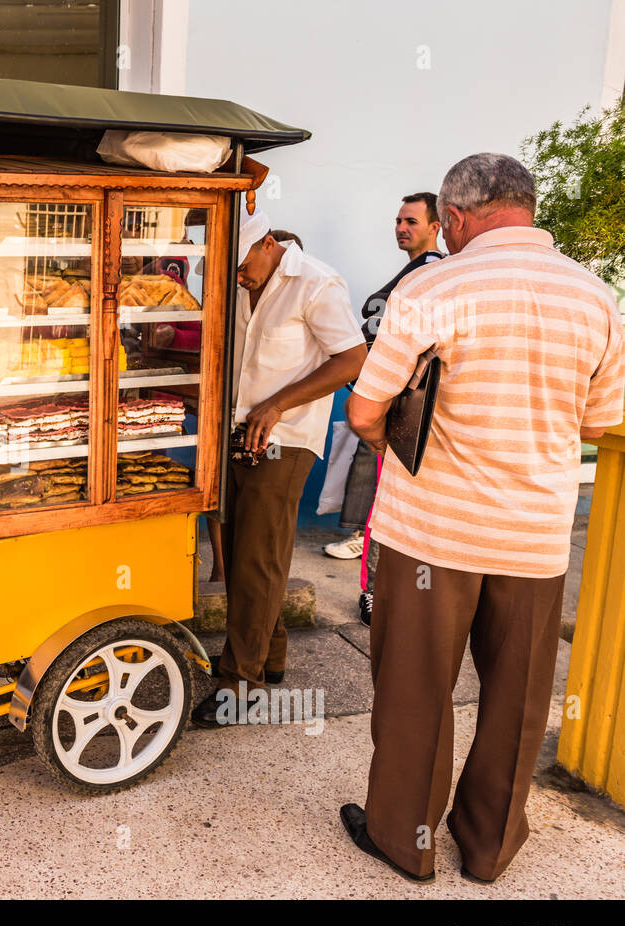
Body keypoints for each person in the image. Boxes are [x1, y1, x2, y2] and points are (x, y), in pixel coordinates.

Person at [341, 153, 624, 884]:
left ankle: (407, 842)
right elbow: (601, 419)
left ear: (457, 216)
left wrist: (388, 442)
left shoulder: (433, 285)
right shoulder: (595, 298)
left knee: (416, 691)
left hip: (432, 534)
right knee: (519, 700)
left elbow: (365, 409)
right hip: (533, 539)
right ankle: (490, 848)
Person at [191, 209, 366, 726]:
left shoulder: (316, 282)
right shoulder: (242, 279)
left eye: (242, 263)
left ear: (267, 243)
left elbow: (352, 359)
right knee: (250, 550)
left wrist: (277, 406)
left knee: (257, 559)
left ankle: (238, 685)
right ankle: (270, 657)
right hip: (238, 429)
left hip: (286, 438)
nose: (238, 275)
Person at [324, 194, 445, 630]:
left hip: (402, 406)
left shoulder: (431, 273)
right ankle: (386, 591)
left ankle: (375, 592)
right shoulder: (417, 272)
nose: (401, 227)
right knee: (391, 501)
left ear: (437, 225)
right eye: (397, 220)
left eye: (411, 220)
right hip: (393, 402)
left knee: (387, 502)